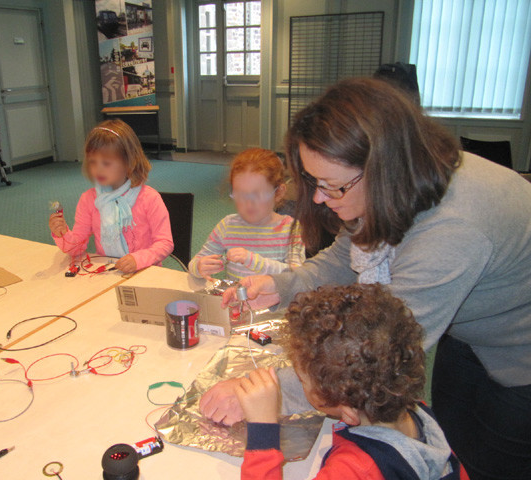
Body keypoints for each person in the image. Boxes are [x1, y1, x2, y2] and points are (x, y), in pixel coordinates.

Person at [200, 78, 531, 480]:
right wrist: (282, 286)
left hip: (520, 360)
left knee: (490, 461)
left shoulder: (453, 231)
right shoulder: (401, 178)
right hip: (469, 333)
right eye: (313, 181)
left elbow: (374, 349)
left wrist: (257, 393)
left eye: (333, 186)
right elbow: (344, 256)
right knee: (452, 438)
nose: (319, 198)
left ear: (381, 169)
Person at [238, 284, 467, 480]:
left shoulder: (353, 470)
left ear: (348, 412)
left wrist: (262, 430)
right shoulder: (418, 411)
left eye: (301, 380)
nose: (299, 384)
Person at [48, 119, 173, 273]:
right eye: (93, 162)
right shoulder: (89, 200)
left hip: (145, 271)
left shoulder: (149, 198)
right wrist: (62, 234)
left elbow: (165, 243)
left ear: (129, 162)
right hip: (108, 271)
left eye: (106, 163)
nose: (98, 169)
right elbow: (77, 248)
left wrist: (138, 259)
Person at [188, 147, 305, 281]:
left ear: (278, 192)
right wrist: (199, 267)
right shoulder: (228, 225)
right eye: (240, 194)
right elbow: (195, 262)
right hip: (236, 300)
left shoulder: (291, 229)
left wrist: (254, 261)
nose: (248, 203)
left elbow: (298, 276)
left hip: (276, 301)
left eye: (257, 195)